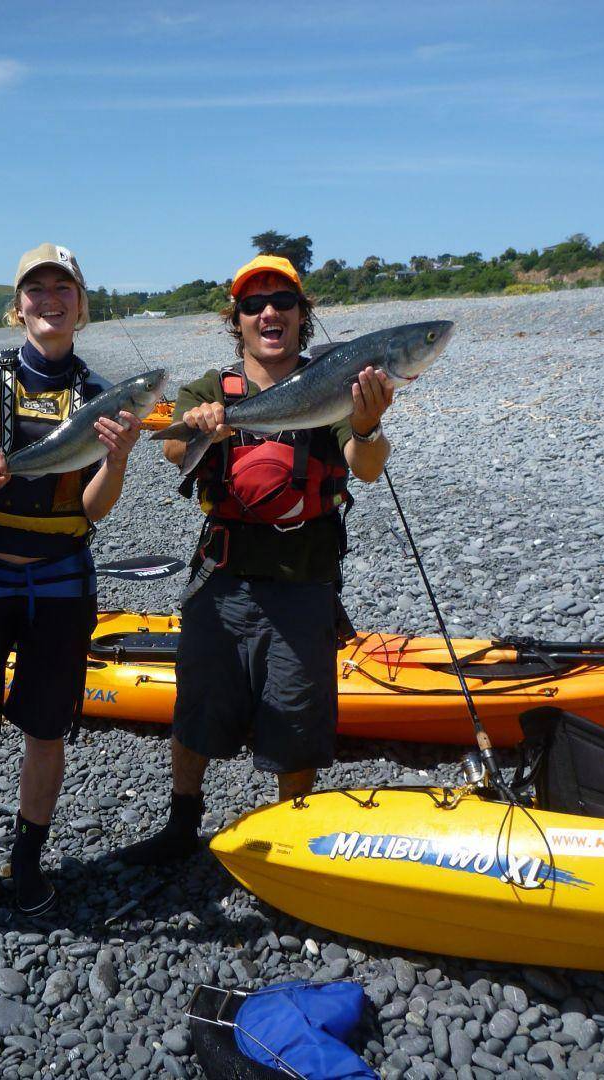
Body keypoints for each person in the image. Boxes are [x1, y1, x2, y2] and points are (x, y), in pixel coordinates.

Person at [117, 254, 395, 865]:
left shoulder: (338, 382)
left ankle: (289, 838)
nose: (269, 312)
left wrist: (368, 424)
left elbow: (368, 470)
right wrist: (196, 426)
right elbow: (170, 449)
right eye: (252, 304)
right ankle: (181, 825)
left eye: (283, 302)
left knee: (297, 719)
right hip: (223, 578)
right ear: (237, 320)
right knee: (198, 706)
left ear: (302, 316)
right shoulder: (211, 390)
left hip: (305, 582)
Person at [0, 243, 142, 935]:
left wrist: (119, 456)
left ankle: (26, 862)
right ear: (17, 306)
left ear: (82, 303)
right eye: (36, 290)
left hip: (60, 579)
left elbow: (95, 508)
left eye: (63, 289)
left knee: (47, 730)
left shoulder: (103, 394)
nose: (50, 301)